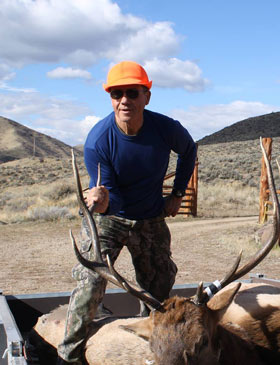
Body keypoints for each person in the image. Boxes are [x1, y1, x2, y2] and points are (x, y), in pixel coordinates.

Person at [57, 61, 197, 364]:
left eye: (132, 93)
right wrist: (100, 201)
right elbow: (107, 193)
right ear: (110, 98)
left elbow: (189, 151)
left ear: (146, 96)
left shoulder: (166, 128)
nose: (124, 100)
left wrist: (177, 193)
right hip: (111, 218)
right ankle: (67, 355)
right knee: (91, 282)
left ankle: (153, 349)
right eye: (116, 93)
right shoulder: (98, 140)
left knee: (159, 288)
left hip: (150, 217)